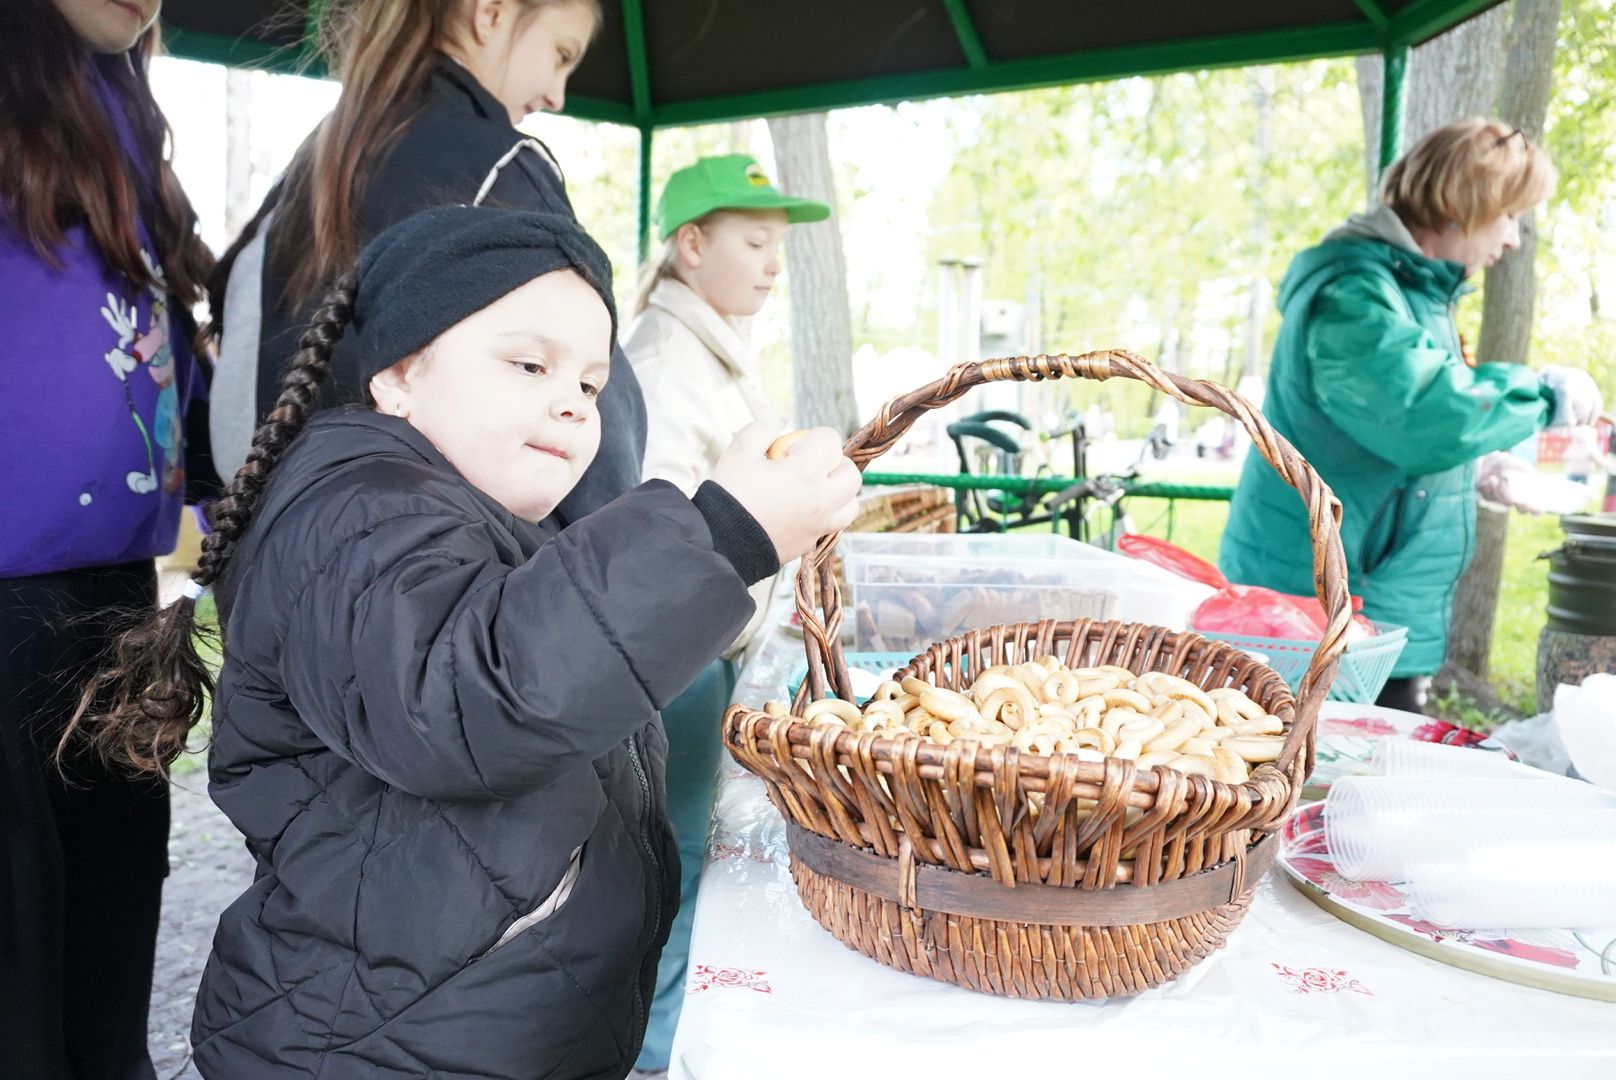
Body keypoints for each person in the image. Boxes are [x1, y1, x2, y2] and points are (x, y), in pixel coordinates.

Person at [61, 205, 862, 1079]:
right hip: (372, 1047)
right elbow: (470, 693)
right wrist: (724, 537)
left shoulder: (486, 523)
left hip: (473, 1033)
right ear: (399, 376)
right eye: (528, 364)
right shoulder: (354, 514)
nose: (570, 399)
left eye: (592, 386)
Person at [0, 2, 217, 1076]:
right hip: (3, 604)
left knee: (115, 924)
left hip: (117, 601)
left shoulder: (121, 110)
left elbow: (176, 344)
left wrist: (235, 512)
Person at [1220, 119, 1604, 714]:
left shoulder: (1415, 294)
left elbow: (1374, 434)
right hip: (1312, 611)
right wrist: (1543, 392)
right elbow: (1423, 414)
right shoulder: (1352, 297)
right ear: (1460, 208)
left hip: (1371, 607)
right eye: (1507, 216)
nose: (1513, 240)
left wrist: (1476, 467)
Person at [209, 0, 643, 526]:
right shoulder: (497, 165)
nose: (558, 93)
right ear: (492, 13)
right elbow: (598, 414)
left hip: (277, 541)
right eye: (560, 53)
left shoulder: (319, 157)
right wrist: (620, 554)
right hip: (444, 564)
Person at [620, 153, 829, 1071]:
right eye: (754, 241)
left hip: (707, 652)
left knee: (679, 866)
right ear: (691, 245)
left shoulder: (712, 355)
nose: (773, 263)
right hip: (680, 663)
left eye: (779, 244)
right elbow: (662, 544)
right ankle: (652, 1054)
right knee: (670, 872)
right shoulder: (668, 368)